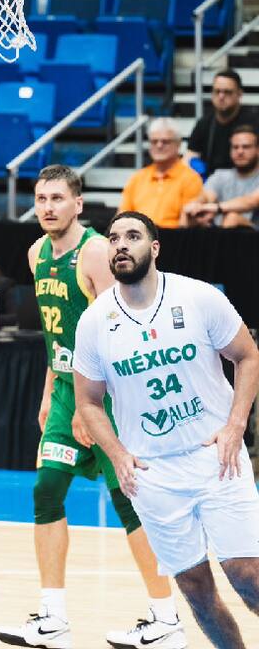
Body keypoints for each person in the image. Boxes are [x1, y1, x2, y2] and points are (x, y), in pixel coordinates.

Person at [0, 165, 182, 648]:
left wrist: (87, 403)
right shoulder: (37, 252)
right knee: (46, 490)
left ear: (79, 204)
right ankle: (53, 618)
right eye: (40, 198)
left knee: (129, 502)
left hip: (108, 395)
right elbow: (55, 332)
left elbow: (117, 331)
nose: (47, 207)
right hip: (64, 392)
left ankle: (167, 618)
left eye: (57, 198)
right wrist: (49, 392)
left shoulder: (96, 252)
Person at [73, 211, 259, 648]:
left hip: (216, 460)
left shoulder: (197, 297)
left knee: (247, 575)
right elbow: (88, 401)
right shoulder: (95, 321)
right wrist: (118, 455)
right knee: (195, 591)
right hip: (153, 474)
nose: (121, 244)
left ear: (154, 248)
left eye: (133, 236)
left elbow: (247, 356)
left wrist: (236, 426)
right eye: (114, 237)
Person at [119, 118, 204, 229]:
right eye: (154, 141)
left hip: (174, 240)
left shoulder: (191, 178)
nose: (159, 145)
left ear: (178, 144)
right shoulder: (137, 178)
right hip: (137, 240)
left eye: (165, 141)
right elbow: (121, 219)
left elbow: (187, 225)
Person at [181, 123, 259, 228]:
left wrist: (216, 208)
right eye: (235, 147)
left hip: (253, 235)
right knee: (188, 215)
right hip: (220, 232)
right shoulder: (220, 175)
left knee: (232, 218)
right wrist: (197, 205)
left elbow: (251, 201)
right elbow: (207, 196)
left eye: (246, 147)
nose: (240, 151)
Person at [186, 69, 258, 176]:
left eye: (227, 92)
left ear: (239, 94)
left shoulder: (254, 122)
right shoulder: (204, 123)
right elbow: (190, 156)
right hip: (211, 183)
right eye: (217, 91)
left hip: (248, 181)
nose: (221, 96)